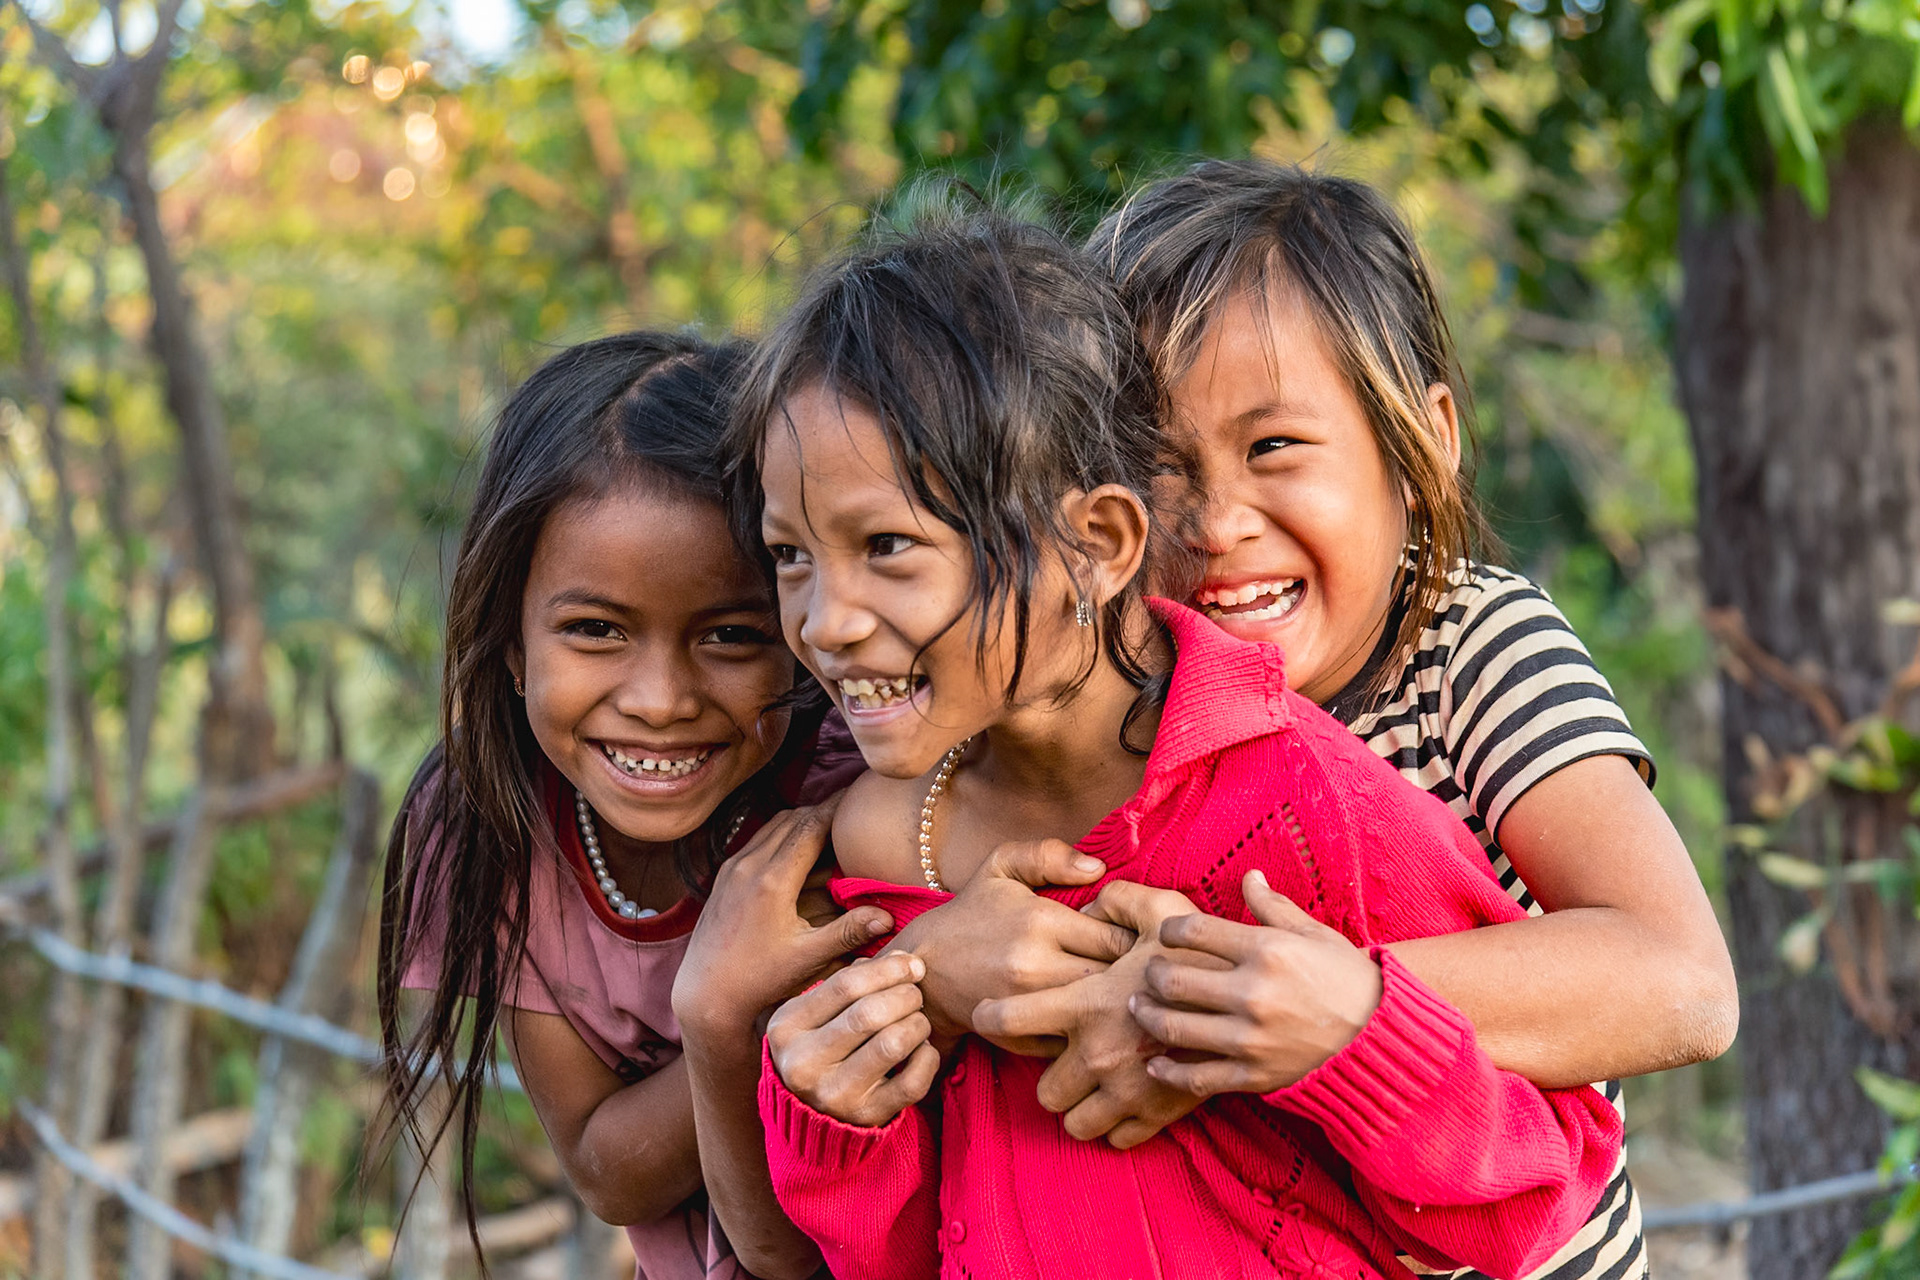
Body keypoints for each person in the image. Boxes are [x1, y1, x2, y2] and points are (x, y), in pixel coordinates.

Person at [732, 200, 1622, 1280]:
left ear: (1098, 541)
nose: (823, 619)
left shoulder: (1319, 801)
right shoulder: (877, 845)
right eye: (789, 555)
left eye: (888, 545)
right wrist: (834, 1104)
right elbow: (903, 1245)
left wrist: (1298, 1023)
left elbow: (1530, 1188)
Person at [938, 161, 1739, 1280]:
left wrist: (1254, 1005)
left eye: (1274, 449)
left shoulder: (1468, 649)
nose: (1217, 521)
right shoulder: (1115, 698)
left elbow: (1681, 980)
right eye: (1161, 465)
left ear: (1424, 444)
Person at [374, 331, 877, 1280]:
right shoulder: (485, 824)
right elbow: (608, 1171)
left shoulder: (857, 789)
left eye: (731, 635)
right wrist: (727, 1013)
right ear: (512, 645)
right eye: (596, 630)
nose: (659, 700)